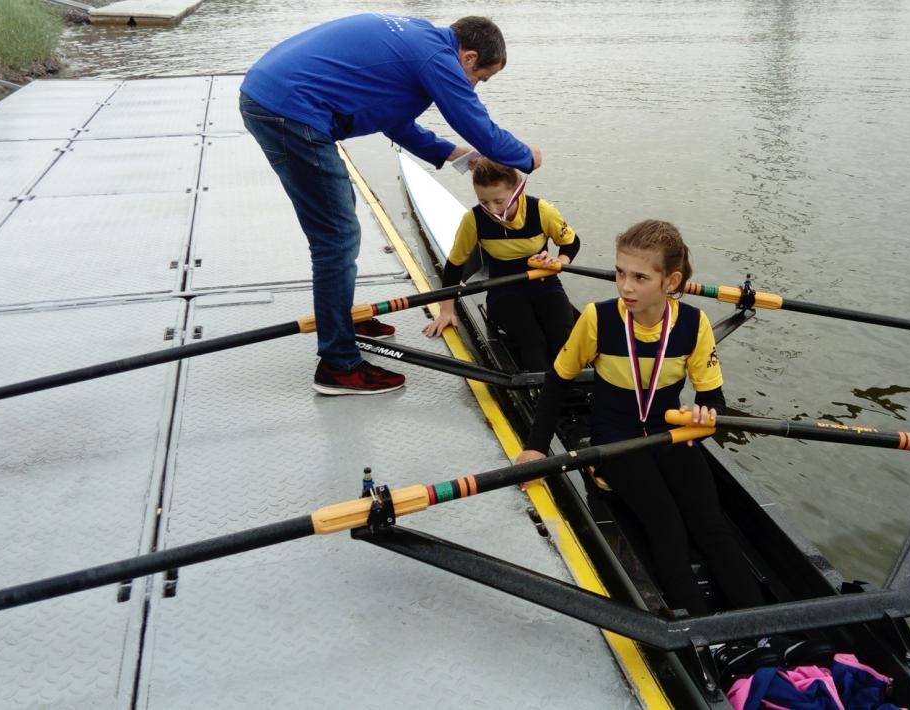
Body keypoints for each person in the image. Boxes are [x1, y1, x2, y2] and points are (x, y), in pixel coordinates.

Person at [239, 14, 543, 395]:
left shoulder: (420, 40)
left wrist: (454, 155)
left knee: (339, 222)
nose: (475, 85)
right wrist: (526, 157)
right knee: (336, 237)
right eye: (481, 78)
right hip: (289, 111)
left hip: (275, 97)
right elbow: (477, 124)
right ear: (468, 57)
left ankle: (339, 321)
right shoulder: (437, 57)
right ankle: (338, 365)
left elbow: (395, 121)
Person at [516, 220, 765, 616]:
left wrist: (705, 416)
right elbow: (557, 382)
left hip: (671, 434)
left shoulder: (694, 324)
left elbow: (712, 398)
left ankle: (762, 624)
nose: (625, 287)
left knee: (711, 526)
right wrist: (535, 448)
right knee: (666, 523)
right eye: (620, 273)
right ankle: (698, 629)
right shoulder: (598, 318)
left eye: (640, 277)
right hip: (616, 438)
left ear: (672, 281)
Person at [423, 159, 579, 371]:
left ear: (517, 191)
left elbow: (571, 243)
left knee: (563, 338)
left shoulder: (542, 210)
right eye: (484, 202)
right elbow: (455, 265)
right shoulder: (473, 220)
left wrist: (559, 262)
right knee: (532, 341)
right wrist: (447, 310)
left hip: (545, 284)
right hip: (503, 289)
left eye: (499, 201)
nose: (492, 210)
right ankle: (538, 386)